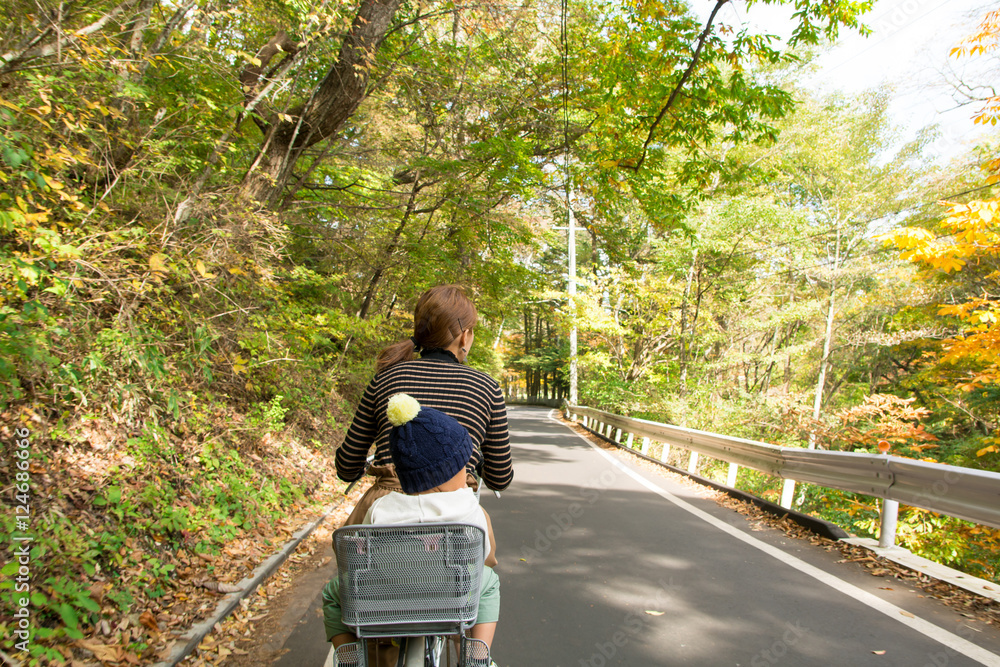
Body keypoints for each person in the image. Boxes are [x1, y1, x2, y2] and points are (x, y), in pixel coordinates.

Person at [336, 284, 513, 566]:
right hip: (456, 522)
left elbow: (346, 467)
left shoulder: (385, 379)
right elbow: (499, 478)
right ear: (465, 336)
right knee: (482, 580)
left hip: (384, 514)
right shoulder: (486, 388)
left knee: (353, 583)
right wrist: (476, 463)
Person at [324, 394, 500, 666]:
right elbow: (485, 556)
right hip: (451, 596)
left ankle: (350, 657)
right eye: (462, 466)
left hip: (384, 596)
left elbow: (362, 552)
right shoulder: (468, 508)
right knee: (489, 582)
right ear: (443, 474)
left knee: (332, 593)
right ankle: (477, 655)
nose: (466, 471)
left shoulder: (382, 507)